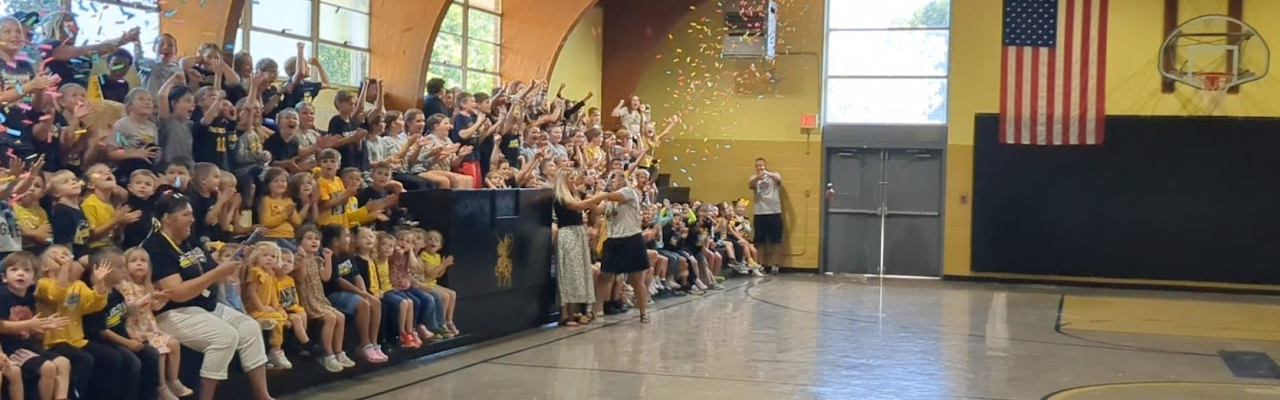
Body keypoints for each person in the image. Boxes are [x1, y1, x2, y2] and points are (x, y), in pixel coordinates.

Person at [144, 192, 274, 400]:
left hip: (206, 306)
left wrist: (238, 260)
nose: (192, 219)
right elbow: (177, 293)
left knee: (250, 327)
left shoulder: (190, 240)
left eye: (192, 214)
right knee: (225, 336)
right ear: (167, 218)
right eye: (186, 214)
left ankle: (262, 396)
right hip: (173, 313)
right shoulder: (155, 247)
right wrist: (217, 273)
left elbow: (216, 274)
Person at [594, 169, 653, 323]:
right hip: (613, 239)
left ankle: (643, 312)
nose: (615, 180)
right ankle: (595, 310)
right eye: (612, 178)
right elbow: (596, 210)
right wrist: (591, 200)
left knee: (637, 279)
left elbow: (614, 196)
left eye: (618, 178)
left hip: (631, 238)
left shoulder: (628, 192)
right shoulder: (607, 201)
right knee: (603, 276)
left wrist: (600, 195)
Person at [748, 157, 784, 274]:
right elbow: (750, 184)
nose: (759, 167)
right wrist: (759, 177)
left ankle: (775, 264)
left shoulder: (774, 175)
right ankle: (761, 264)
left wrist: (767, 173)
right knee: (760, 241)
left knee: (776, 241)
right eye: (757, 166)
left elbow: (778, 179)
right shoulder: (754, 178)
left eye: (761, 165)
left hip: (774, 212)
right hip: (760, 213)